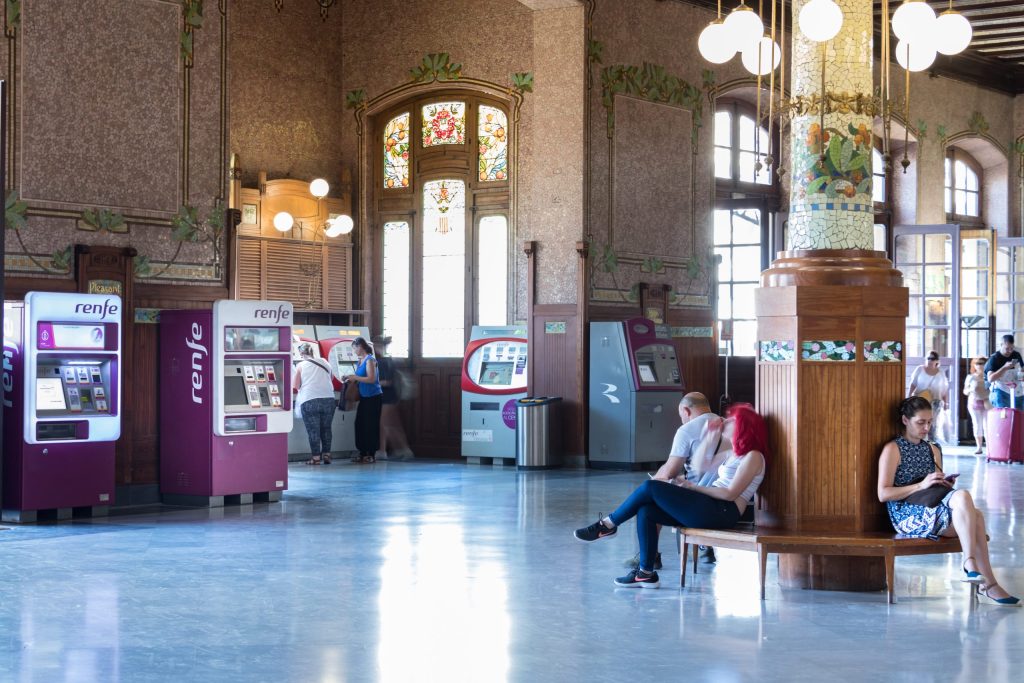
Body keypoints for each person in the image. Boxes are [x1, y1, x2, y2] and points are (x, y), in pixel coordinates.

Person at [574, 403, 768, 589]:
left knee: (651, 487)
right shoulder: (734, 452)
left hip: (724, 511)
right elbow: (700, 467)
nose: (725, 421)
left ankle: (608, 525)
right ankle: (645, 573)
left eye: (731, 420)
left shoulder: (753, 456)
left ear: (742, 426)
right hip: (711, 506)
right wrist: (710, 437)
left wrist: (692, 488)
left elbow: (730, 493)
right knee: (647, 510)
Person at [878, 397, 1018, 605]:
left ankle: (984, 580)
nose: (926, 428)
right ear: (905, 420)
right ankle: (978, 573)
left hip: (933, 506)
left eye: (929, 422)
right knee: (968, 503)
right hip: (906, 514)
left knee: (974, 513)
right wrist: (921, 485)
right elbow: (883, 494)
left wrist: (943, 483)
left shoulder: (932, 449)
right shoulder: (893, 449)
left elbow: (936, 487)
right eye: (920, 422)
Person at [623, 392, 731, 570]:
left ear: (686, 410)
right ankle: (705, 548)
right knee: (663, 491)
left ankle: (650, 555)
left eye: (680, 414)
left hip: (700, 501)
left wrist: (655, 481)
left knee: (653, 496)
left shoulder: (687, 430)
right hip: (722, 499)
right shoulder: (725, 423)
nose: (681, 418)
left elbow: (670, 471)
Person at [292, 343, 336, 465]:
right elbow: (330, 378)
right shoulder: (325, 362)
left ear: (301, 354)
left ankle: (316, 458)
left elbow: (295, 385)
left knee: (313, 430)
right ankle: (327, 455)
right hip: (329, 399)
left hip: (310, 399)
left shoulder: (300, 365)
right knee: (326, 429)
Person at [341, 337, 383, 464]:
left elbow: (371, 379)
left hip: (373, 397)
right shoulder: (360, 361)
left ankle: (371, 453)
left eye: (354, 348)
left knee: (371, 425)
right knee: (360, 424)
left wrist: (356, 377)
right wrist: (350, 378)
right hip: (364, 397)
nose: (354, 351)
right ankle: (363, 452)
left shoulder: (370, 360)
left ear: (360, 346)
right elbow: (359, 378)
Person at [373, 335, 413, 461]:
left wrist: (370, 382)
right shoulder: (389, 359)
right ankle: (384, 450)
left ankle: (403, 450)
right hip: (391, 397)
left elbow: (387, 382)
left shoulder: (382, 361)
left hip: (387, 398)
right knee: (388, 424)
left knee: (389, 425)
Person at [907, 351, 949, 442]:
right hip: (920, 401)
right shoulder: (919, 369)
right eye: (928, 358)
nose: (930, 360)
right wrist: (909, 396)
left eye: (932, 358)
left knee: (932, 424)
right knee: (920, 421)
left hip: (935, 402)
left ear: (937, 360)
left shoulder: (940, 372)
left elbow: (944, 389)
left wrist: (946, 402)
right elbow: (913, 384)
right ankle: (919, 442)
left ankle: (931, 444)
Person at [985, 334, 1024, 409]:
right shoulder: (994, 359)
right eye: (1007, 348)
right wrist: (1004, 368)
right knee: (1004, 415)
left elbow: (1021, 370)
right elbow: (990, 379)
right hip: (1001, 391)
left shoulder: (1016, 355)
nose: (1010, 351)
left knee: (1019, 415)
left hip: (1017, 391)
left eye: (1012, 348)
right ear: (1001, 345)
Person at [963, 356, 991, 455]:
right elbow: (965, 391)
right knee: (977, 425)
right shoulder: (970, 377)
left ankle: (989, 447)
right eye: (978, 363)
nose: (980, 365)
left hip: (987, 402)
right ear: (974, 365)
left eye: (982, 363)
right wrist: (971, 390)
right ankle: (979, 447)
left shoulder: (989, 376)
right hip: (974, 402)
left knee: (987, 425)